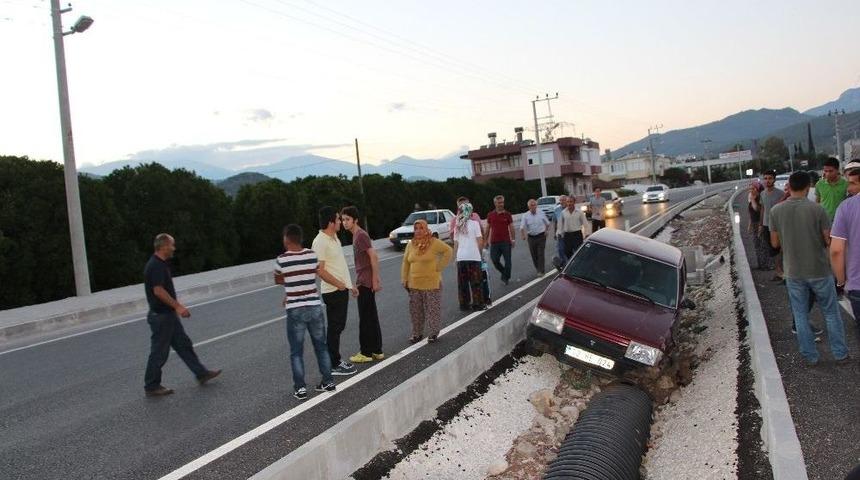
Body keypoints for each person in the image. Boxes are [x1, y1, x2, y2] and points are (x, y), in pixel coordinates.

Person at [770, 171, 848, 366]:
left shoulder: (776, 211)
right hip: (819, 269)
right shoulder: (818, 210)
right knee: (830, 313)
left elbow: (774, 243)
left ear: (789, 185)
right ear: (808, 187)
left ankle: (810, 356)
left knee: (800, 314)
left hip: (793, 272)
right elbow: (827, 239)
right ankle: (840, 354)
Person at [143, 233, 220, 397]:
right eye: (172, 245)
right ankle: (151, 385)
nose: (174, 248)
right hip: (161, 316)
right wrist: (178, 306)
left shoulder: (161, 264)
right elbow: (158, 290)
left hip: (167, 315)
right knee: (159, 352)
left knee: (183, 344)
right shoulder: (156, 265)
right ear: (163, 246)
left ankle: (201, 373)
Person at [274, 224, 335, 400]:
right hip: (315, 306)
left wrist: (291, 286)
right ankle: (328, 381)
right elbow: (314, 273)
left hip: (295, 308)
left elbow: (278, 279)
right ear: (300, 238)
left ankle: (300, 388)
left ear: (286, 239)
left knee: (296, 351)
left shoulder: (281, 259)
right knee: (321, 347)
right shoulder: (311, 255)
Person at [312, 206, 358, 376]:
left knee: (338, 326)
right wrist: (339, 284)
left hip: (340, 288)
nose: (340, 222)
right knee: (335, 327)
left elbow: (340, 266)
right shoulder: (320, 241)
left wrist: (349, 285)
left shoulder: (334, 238)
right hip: (332, 291)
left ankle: (334, 361)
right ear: (331, 222)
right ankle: (334, 363)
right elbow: (320, 270)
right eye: (338, 219)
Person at [340, 206, 384, 364]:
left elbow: (374, 256)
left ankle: (366, 352)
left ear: (355, 220)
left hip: (365, 282)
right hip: (364, 280)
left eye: (347, 219)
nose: (345, 222)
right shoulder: (357, 235)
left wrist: (375, 280)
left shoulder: (360, 236)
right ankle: (377, 351)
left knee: (365, 318)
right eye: (343, 219)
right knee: (371, 316)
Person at [401, 219, 453, 344]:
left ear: (426, 229)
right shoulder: (411, 244)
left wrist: (439, 267)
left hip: (431, 283)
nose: (418, 231)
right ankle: (417, 333)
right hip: (414, 284)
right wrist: (404, 278)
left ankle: (433, 333)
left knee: (432, 309)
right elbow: (406, 262)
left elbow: (448, 251)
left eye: (421, 228)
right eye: (416, 228)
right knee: (416, 311)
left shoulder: (434, 242)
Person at [830, 165, 860, 331]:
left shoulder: (846, 207)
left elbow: (836, 250)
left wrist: (841, 280)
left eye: (852, 183)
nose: (848, 188)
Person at [454, 203, 486, 311]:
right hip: (473, 256)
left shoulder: (457, 226)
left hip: (461, 257)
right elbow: (480, 241)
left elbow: (456, 244)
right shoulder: (475, 224)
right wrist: (481, 254)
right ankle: (478, 304)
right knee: (476, 281)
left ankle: (464, 304)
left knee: (462, 283)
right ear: (470, 212)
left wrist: (455, 257)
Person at [759, 170, 785, 280]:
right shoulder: (762, 194)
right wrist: (760, 225)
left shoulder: (780, 194)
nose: (767, 180)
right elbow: (762, 209)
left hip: (778, 225)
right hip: (766, 224)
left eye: (770, 178)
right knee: (771, 249)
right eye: (765, 178)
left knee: (780, 248)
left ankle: (783, 271)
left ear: (774, 179)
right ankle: (778, 271)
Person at [486, 195, 515, 285]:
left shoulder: (507, 214)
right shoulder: (490, 215)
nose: (501, 204)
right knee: (494, 260)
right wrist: (485, 240)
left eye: (502, 202)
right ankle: (505, 273)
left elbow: (511, 227)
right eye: (499, 203)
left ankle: (505, 278)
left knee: (508, 261)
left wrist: (513, 239)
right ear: (495, 203)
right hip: (494, 242)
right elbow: (487, 228)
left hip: (506, 241)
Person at [520, 198, 550, 275]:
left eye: (534, 205)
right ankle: (538, 268)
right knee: (534, 254)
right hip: (531, 237)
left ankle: (541, 270)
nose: (533, 207)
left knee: (540, 253)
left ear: (536, 206)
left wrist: (546, 231)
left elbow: (547, 223)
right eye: (531, 205)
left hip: (541, 236)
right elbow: (522, 227)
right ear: (528, 207)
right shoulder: (525, 215)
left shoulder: (541, 213)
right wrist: (523, 235)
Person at [748, 180, 771, 270]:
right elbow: (750, 212)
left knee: (762, 244)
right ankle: (760, 264)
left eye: (753, 188)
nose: (751, 190)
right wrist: (749, 225)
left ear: (757, 189)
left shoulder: (760, 198)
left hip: (760, 223)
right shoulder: (752, 198)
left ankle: (765, 264)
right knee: (756, 244)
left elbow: (757, 209)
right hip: (754, 224)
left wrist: (753, 199)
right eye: (750, 189)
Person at [553, 195, 569, 266]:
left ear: (566, 201)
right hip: (560, 232)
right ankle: (563, 263)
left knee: (568, 249)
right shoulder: (556, 210)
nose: (562, 202)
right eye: (561, 200)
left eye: (563, 200)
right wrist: (554, 232)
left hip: (569, 233)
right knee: (560, 249)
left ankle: (568, 263)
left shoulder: (570, 209)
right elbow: (555, 222)